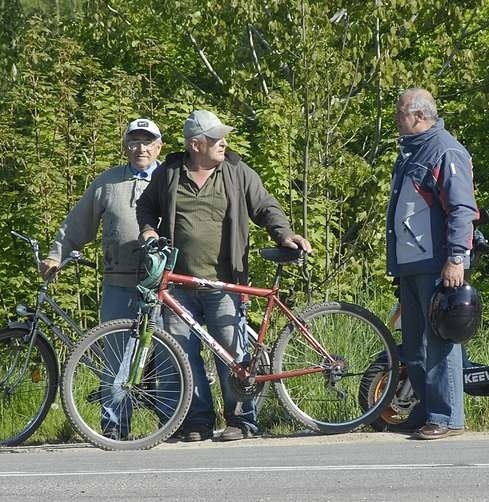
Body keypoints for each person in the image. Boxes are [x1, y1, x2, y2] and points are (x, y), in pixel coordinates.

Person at [136, 109, 311, 442]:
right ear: (196, 144)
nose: (223, 143)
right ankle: (197, 422)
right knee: (182, 354)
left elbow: (265, 206)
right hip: (179, 283)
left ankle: (241, 420)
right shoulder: (170, 173)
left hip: (225, 280)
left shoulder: (235, 170)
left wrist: (284, 234)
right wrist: (147, 229)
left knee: (231, 352)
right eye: (217, 138)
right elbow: (145, 206)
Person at [40, 118, 164, 439]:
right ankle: (115, 427)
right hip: (118, 283)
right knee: (115, 356)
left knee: (168, 354)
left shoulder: (170, 180)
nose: (141, 148)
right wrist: (56, 254)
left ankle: (175, 424)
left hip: (165, 285)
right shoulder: (107, 183)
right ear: (125, 147)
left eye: (148, 141)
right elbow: (77, 224)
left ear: (159, 147)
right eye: (134, 141)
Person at [386, 88, 478, 440]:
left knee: (440, 339)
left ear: (419, 116)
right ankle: (426, 411)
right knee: (415, 344)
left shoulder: (445, 150)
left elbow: (462, 210)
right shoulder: (411, 151)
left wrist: (456, 259)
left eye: (401, 112)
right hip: (412, 264)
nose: (397, 117)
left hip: (438, 263)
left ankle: (447, 417)